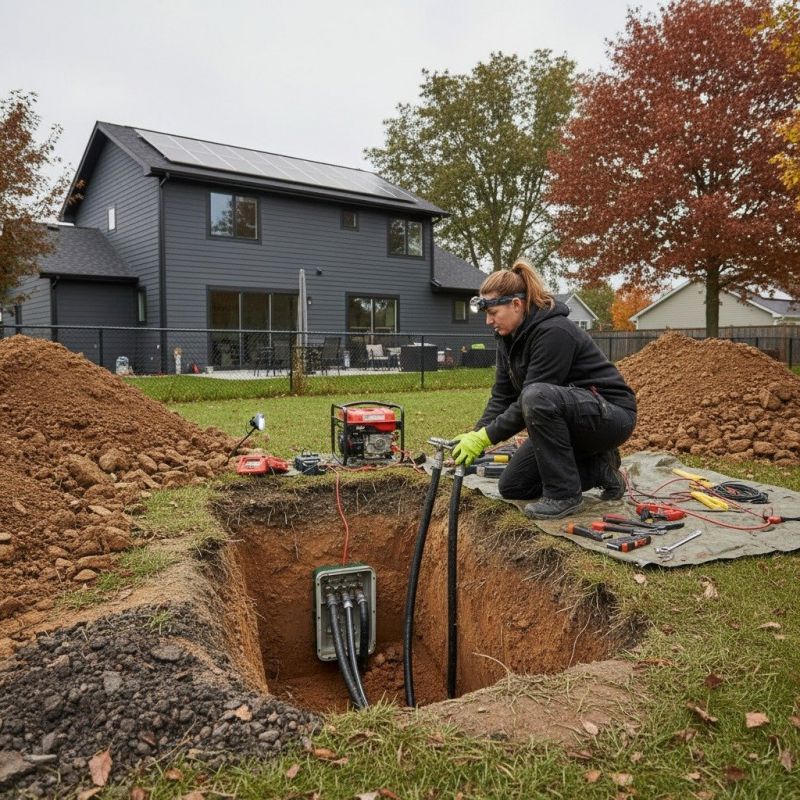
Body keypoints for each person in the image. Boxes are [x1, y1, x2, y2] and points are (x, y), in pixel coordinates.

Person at [451, 259, 637, 519]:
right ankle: (600, 470)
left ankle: (564, 495)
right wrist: (475, 436)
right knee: (513, 485)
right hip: (570, 416)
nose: (488, 321)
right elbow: (502, 397)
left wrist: (486, 437)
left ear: (516, 305)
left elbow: (531, 399)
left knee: (536, 396)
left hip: (610, 416)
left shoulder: (554, 332)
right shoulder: (507, 339)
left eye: (493, 313)